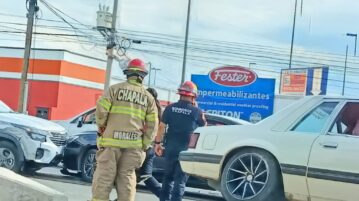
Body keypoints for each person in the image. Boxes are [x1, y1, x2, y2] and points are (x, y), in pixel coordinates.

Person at [92, 58, 159, 201]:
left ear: (127, 73)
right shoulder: (149, 98)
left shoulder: (114, 90)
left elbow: (100, 111)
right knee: (127, 177)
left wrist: (102, 127)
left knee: (104, 176)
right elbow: (153, 125)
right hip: (134, 146)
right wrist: (145, 144)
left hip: (111, 143)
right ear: (142, 77)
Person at [154, 81, 207, 201]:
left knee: (167, 179)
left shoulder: (170, 108)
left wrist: (157, 143)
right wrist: (196, 108)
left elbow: (161, 127)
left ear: (180, 94)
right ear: (193, 96)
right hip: (186, 151)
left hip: (170, 148)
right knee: (180, 181)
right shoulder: (197, 112)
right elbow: (204, 128)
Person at [138, 87, 162, 197]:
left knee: (128, 176)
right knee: (145, 175)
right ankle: (165, 197)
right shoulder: (158, 109)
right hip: (151, 147)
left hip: (142, 146)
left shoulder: (146, 109)